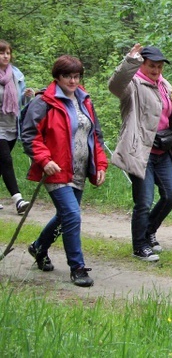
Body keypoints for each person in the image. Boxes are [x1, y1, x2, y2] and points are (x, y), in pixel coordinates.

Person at [22, 55, 108, 287]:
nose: (73, 81)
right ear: (57, 77)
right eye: (67, 76)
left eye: (76, 76)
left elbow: (95, 136)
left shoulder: (85, 100)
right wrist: (43, 159)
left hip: (79, 170)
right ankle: (77, 268)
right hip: (55, 169)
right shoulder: (44, 102)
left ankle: (39, 247)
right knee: (72, 215)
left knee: (65, 216)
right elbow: (30, 135)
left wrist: (100, 165)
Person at [109, 44, 172, 262]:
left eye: (160, 66)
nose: (156, 70)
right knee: (143, 201)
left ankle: (149, 232)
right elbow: (115, 86)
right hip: (140, 152)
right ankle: (140, 246)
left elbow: (167, 116)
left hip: (162, 151)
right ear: (142, 64)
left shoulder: (165, 85)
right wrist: (130, 60)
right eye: (152, 66)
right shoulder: (132, 84)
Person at [0, 40, 34, 214]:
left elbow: (19, 103)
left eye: (7, 52)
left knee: (1, 163)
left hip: (12, 125)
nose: (5, 56)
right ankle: (18, 200)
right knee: (6, 160)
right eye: (2, 53)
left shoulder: (16, 74)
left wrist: (27, 96)